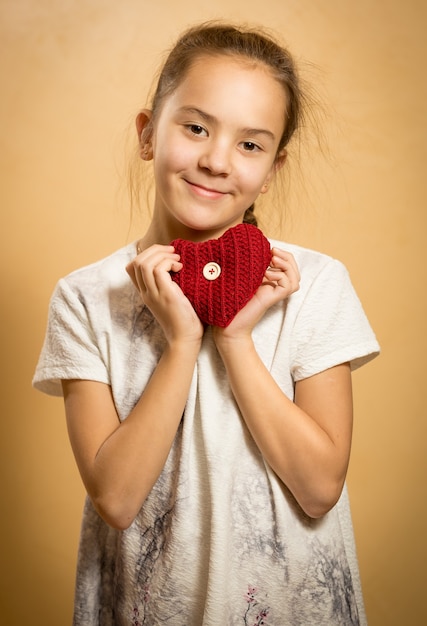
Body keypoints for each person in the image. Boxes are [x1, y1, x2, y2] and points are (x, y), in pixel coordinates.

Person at [33, 22, 379, 626]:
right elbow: (115, 498)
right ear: (148, 134)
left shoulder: (315, 284)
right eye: (196, 127)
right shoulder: (86, 298)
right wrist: (182, 343)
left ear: (272, 168)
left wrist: (235, 337)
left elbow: (320, 486)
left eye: (251, 144)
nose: (217, 161)